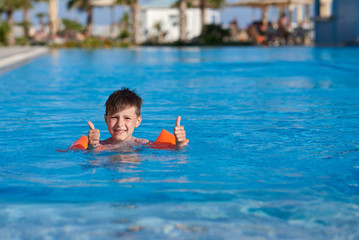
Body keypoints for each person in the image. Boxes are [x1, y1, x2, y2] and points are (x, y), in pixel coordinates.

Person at [87, 87, 187, 150]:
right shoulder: (99, 146)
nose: (120, 124)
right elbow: (92, 162)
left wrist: (179, 144)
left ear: (138, 121)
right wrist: (91, 148)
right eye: (114, 117)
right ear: (106, 119)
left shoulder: (144, 144)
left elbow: (175, 155)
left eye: (127, 118)